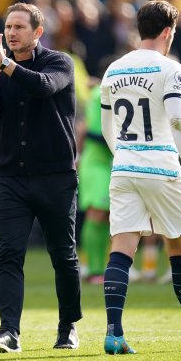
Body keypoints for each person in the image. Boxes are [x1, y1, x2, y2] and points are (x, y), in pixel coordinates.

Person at [100, 0, 181, 354]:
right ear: (168, 32)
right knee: (179, 245)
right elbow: (178, 121)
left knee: (121, 249)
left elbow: (109, 128)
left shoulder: (113, 70)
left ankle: (114, 333)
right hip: (162, 165)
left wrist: (124, 155)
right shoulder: (169, 68)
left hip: (123, 166)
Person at [0, 2, 82, 353]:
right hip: (11, 179)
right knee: (9, 254)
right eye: (8, 27)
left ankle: (68, 328)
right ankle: (9, 332)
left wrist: (5, 64)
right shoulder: (2, 71)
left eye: (20, 27)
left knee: (63, 257)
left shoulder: (59, 62)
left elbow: (43, 87)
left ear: (37, 32)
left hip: (55, 177)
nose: (12, 32)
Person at [77, 85, 113, 284]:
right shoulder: (100, 95)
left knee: (106, 216)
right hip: (95, 165)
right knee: (96, 213)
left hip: (106, 164)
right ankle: (93, 270)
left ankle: (101, 267)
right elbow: (96, 134)